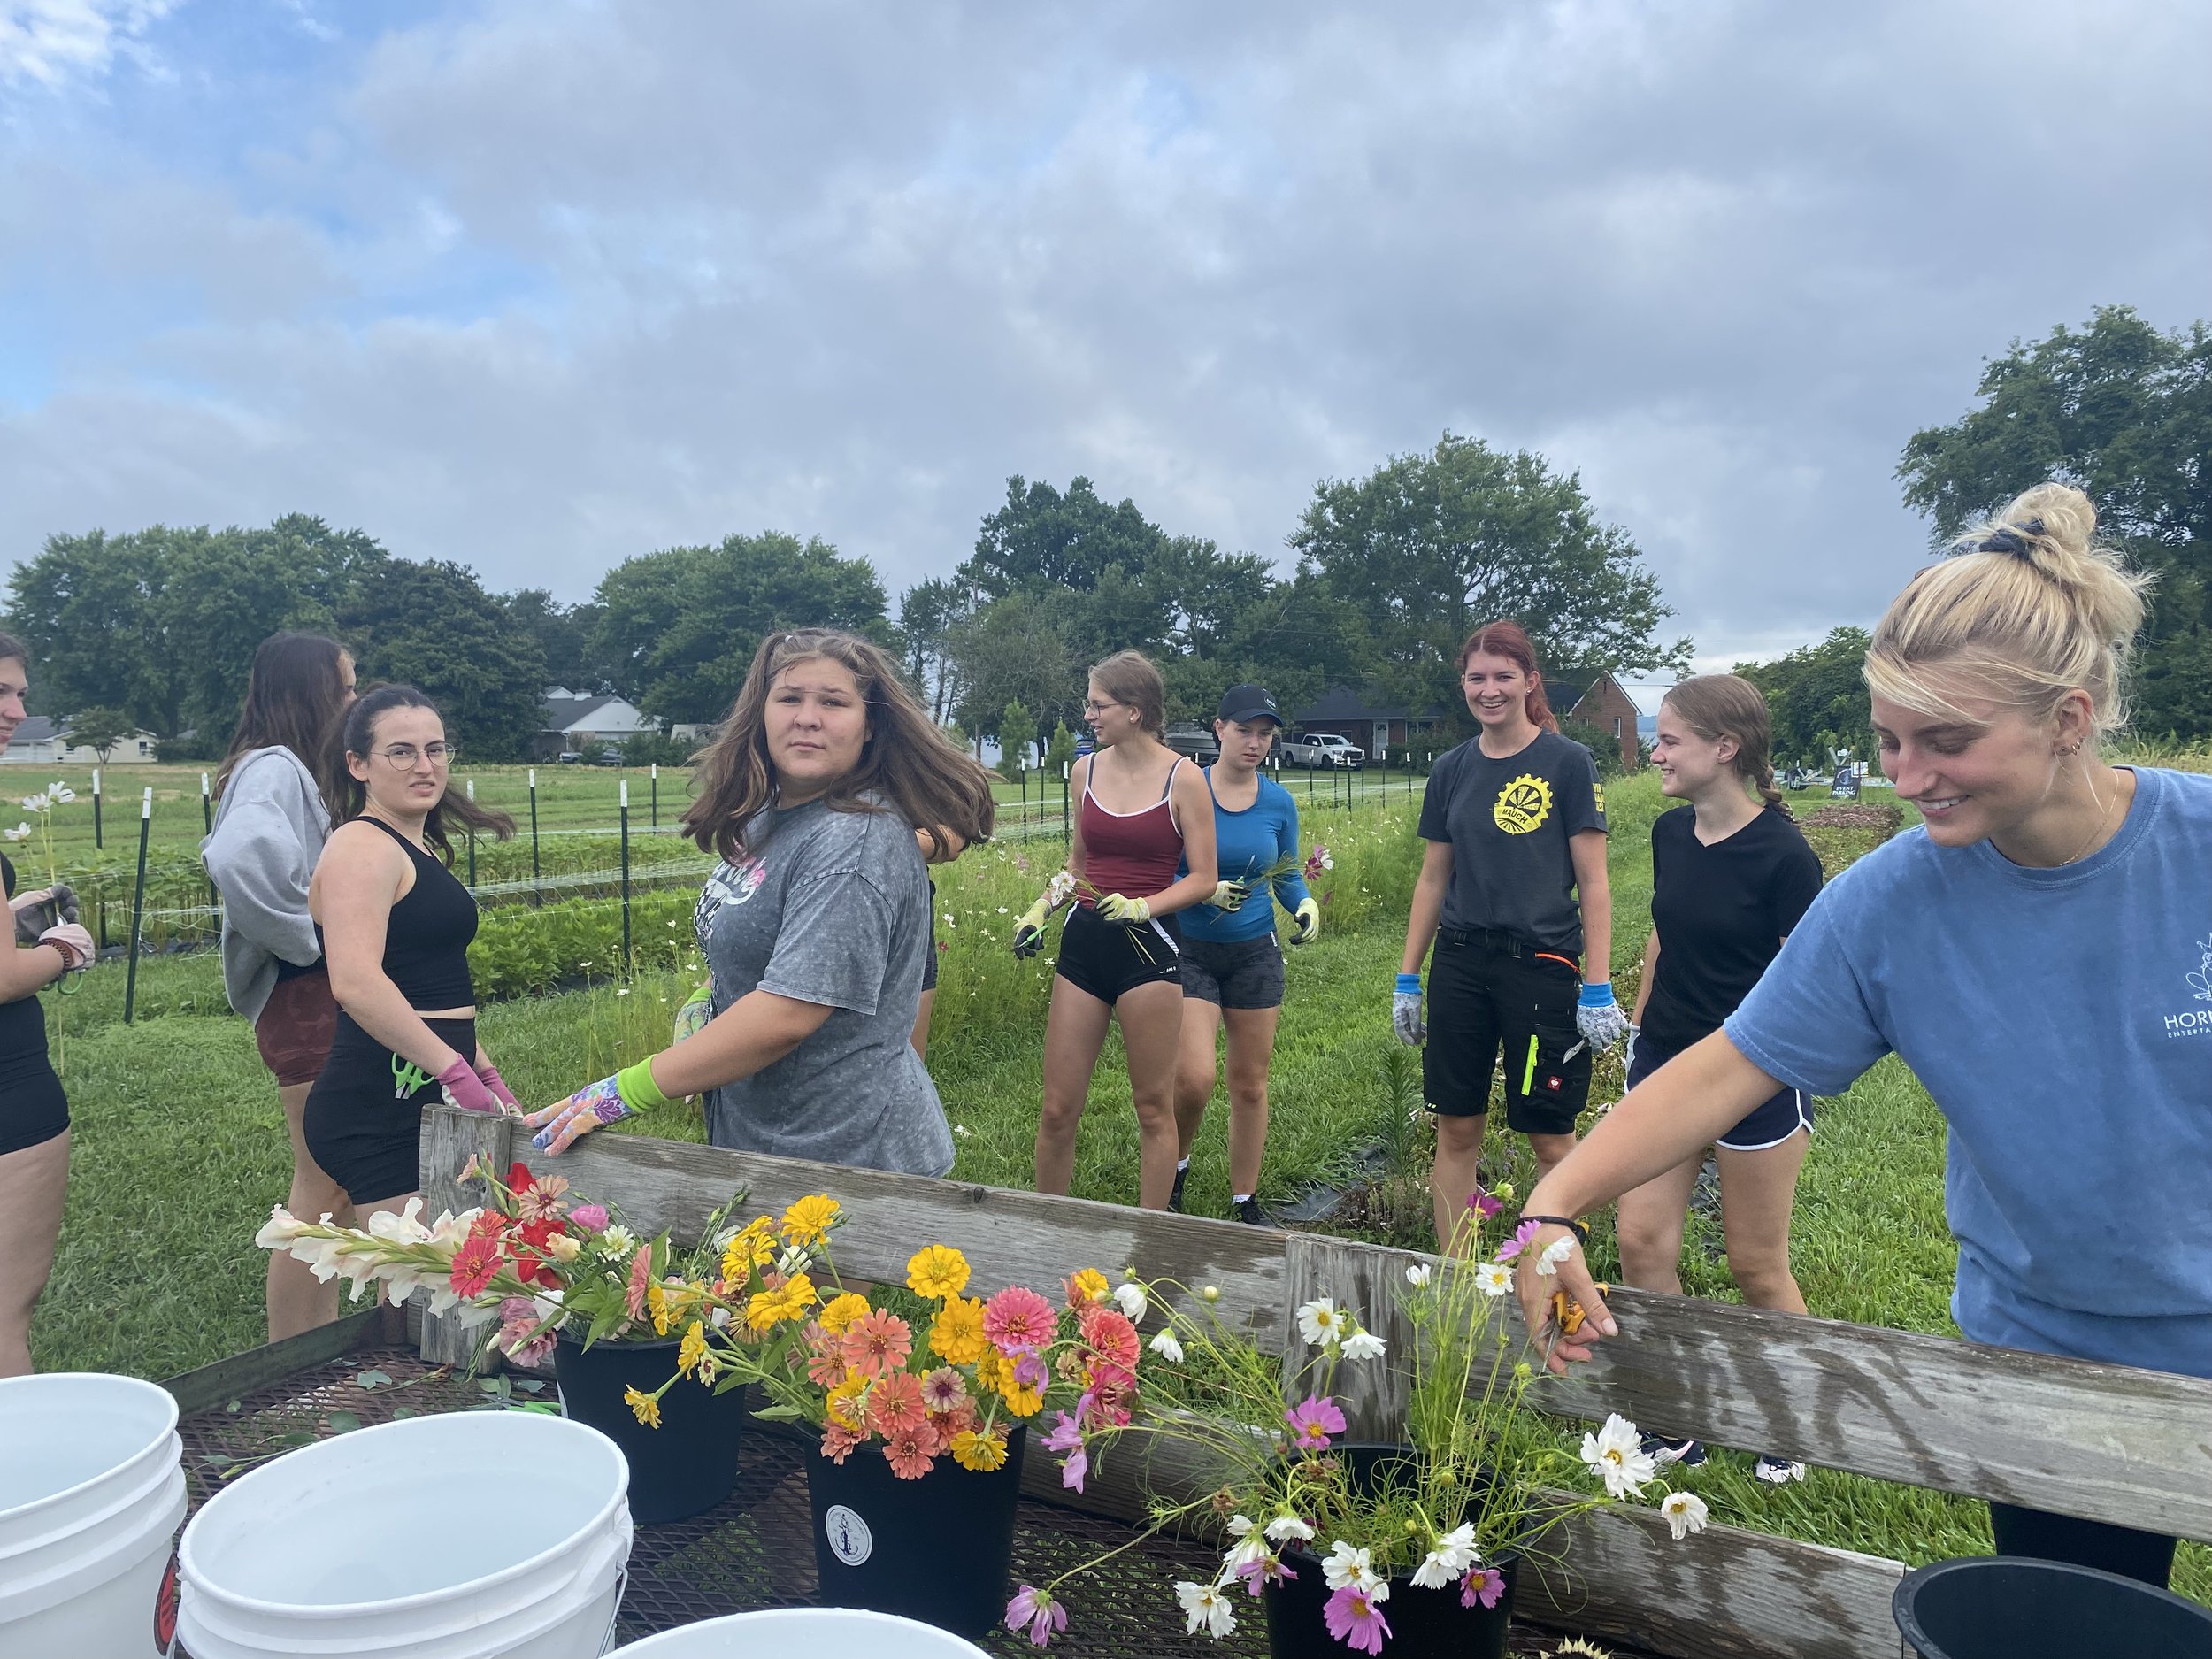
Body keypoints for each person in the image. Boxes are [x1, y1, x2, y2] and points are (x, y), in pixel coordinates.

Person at [1516, 484, 2209, 1590]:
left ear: (2068, 719)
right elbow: (1721, 1069)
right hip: (2040, 1352)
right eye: (1888, 739)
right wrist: (1548, 1212)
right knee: (2085, 1622)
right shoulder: (1892, 903)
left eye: (1946, 740)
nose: (1905, 777)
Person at [526, 629, 995, 1172]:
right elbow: (764, 938)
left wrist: (628, 1090)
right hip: (769, 1140)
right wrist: (709, 994)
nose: (808, 717)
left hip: (849, 1161)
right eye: (790, 697)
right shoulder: (771, 815)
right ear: (762, 712)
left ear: (870, 726)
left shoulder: (853, 842)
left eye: (834, 702)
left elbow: (790, 1013)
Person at [1617, 674, 1824, 1482]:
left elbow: (1809, 982)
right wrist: (1639, 1026)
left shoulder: (1784, 856)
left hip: (1752, 1073)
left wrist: (1776, 1067)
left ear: (1724, 748)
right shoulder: (1671, 832)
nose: (1657, 751)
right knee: (1640, 1242)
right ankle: (1672, 1421)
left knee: (1755, 1263)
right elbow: (1665, 936)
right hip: (1665, 1062)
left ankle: (1791, 1422)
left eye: (1669, 739)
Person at [1394, 619, 1625, 1255]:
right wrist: (1409, 976)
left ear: (1529, 681)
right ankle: (1455, 1277)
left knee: (1548, 1131)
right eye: (1477, 677)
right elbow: (1433, 879)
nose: (1489, 689)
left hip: (1541, 966)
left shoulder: (1568, 763)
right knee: (1456, 1127)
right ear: (1463, 684)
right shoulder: (1451, 769)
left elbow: (1595, 882)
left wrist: (1599, 986)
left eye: (1503, 675)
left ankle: (1558, 1265)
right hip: (1463, 962)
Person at [303, 686, 517, 1226]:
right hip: (380, 1101)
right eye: (402, 752)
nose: (425, 766)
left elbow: (425, 985)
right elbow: (356, 982)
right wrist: (455, 1071)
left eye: (436, 749)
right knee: (420, 1285)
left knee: (432, 1280)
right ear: (358, 765)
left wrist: (482, 1070)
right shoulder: (362, 846)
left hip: (425, 1088)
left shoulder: (410, 846)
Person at [1015, 651, 1217, 1210]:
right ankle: (1047, 1232)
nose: (1088, 715)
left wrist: (1145, 906)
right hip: (1085, 946)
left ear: (1134, 710)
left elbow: (1204, 877)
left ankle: (1148, 1249)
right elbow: (1078, 864)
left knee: (1153, 1107)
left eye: (1097, 704)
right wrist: (1040, 909)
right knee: (1057, 1108)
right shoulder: (1085, 771)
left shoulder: (1185, 778)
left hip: (1148, 950)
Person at [203, 632, 358, 1340]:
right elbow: (239, 858)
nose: (355, 702)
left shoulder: (286, 769)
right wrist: (315, 941)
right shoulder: (273, 769)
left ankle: (324, 1340)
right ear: (313, 694)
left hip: (313, 994)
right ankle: (293, 1359)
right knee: (322, 1183)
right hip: (307, 996)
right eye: (347, 689)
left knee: (341, 1182)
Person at [1169, 684, 1320, 1224]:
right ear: (1218, 729)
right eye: (1244, 731)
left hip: (1254, 951)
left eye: (1264, 734)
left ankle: (1245, 1199)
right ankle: (1177, 1165)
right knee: (1193, 1077)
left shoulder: (1278, 802)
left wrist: (1303, 904)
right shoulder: (1187, 790)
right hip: (1190, 948)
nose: (1254, 743)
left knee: (1250, 1083)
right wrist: (1201, 886)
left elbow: (1286, 871)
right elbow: (1163, 869)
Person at [0, 632, 99, 1375]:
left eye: (21, 692)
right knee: (5, 1312)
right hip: (10, 1091)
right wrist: (65, 948)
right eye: (3, 692)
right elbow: (2, 977)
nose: (17, 709)